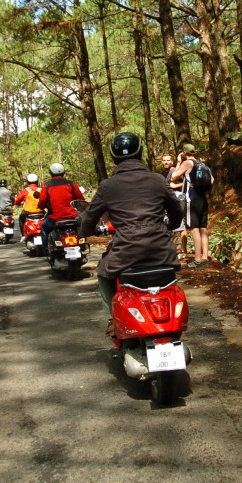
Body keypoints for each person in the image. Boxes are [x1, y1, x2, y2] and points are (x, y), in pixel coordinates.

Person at [80, 133, 184, 335]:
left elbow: (89, 217)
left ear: (113, 157)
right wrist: (170, 225)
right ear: (141, 152)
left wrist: (87, 230)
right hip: (161, 250)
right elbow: (177, 211)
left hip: (126, 252)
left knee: (103, 271)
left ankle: (112, 318)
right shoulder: (157, 180)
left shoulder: (107, 186)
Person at [169, 143, 209, 268]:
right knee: (203, 228)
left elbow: (173, 177)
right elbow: (211, 180)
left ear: (185, 153)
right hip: (203, 198)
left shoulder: (187, 163)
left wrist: (179, 162)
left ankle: (197, 260)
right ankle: (205, 257)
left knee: (193, 228)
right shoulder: (203, 165)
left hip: (191, 198)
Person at [38, 163, 85, 250]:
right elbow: (81, 200)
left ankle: (45, 250)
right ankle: (83, 246)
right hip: (73, 217)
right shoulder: (71, 184)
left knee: (44, 228)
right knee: (82, 228)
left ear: (51, 173)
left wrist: (41, 207)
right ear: (63, 172)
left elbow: (42, 201)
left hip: (54, 218)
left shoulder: (47, 186)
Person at [161, 153, 188, 259]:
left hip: (178, 199)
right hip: (167, 201)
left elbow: (186, 183)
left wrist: (175, 186)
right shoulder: (163, 174)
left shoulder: (174, 171)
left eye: (168, 160)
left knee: (181, 226)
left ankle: (184, 250)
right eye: (164, 160)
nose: (166, 162)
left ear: (171, 161)